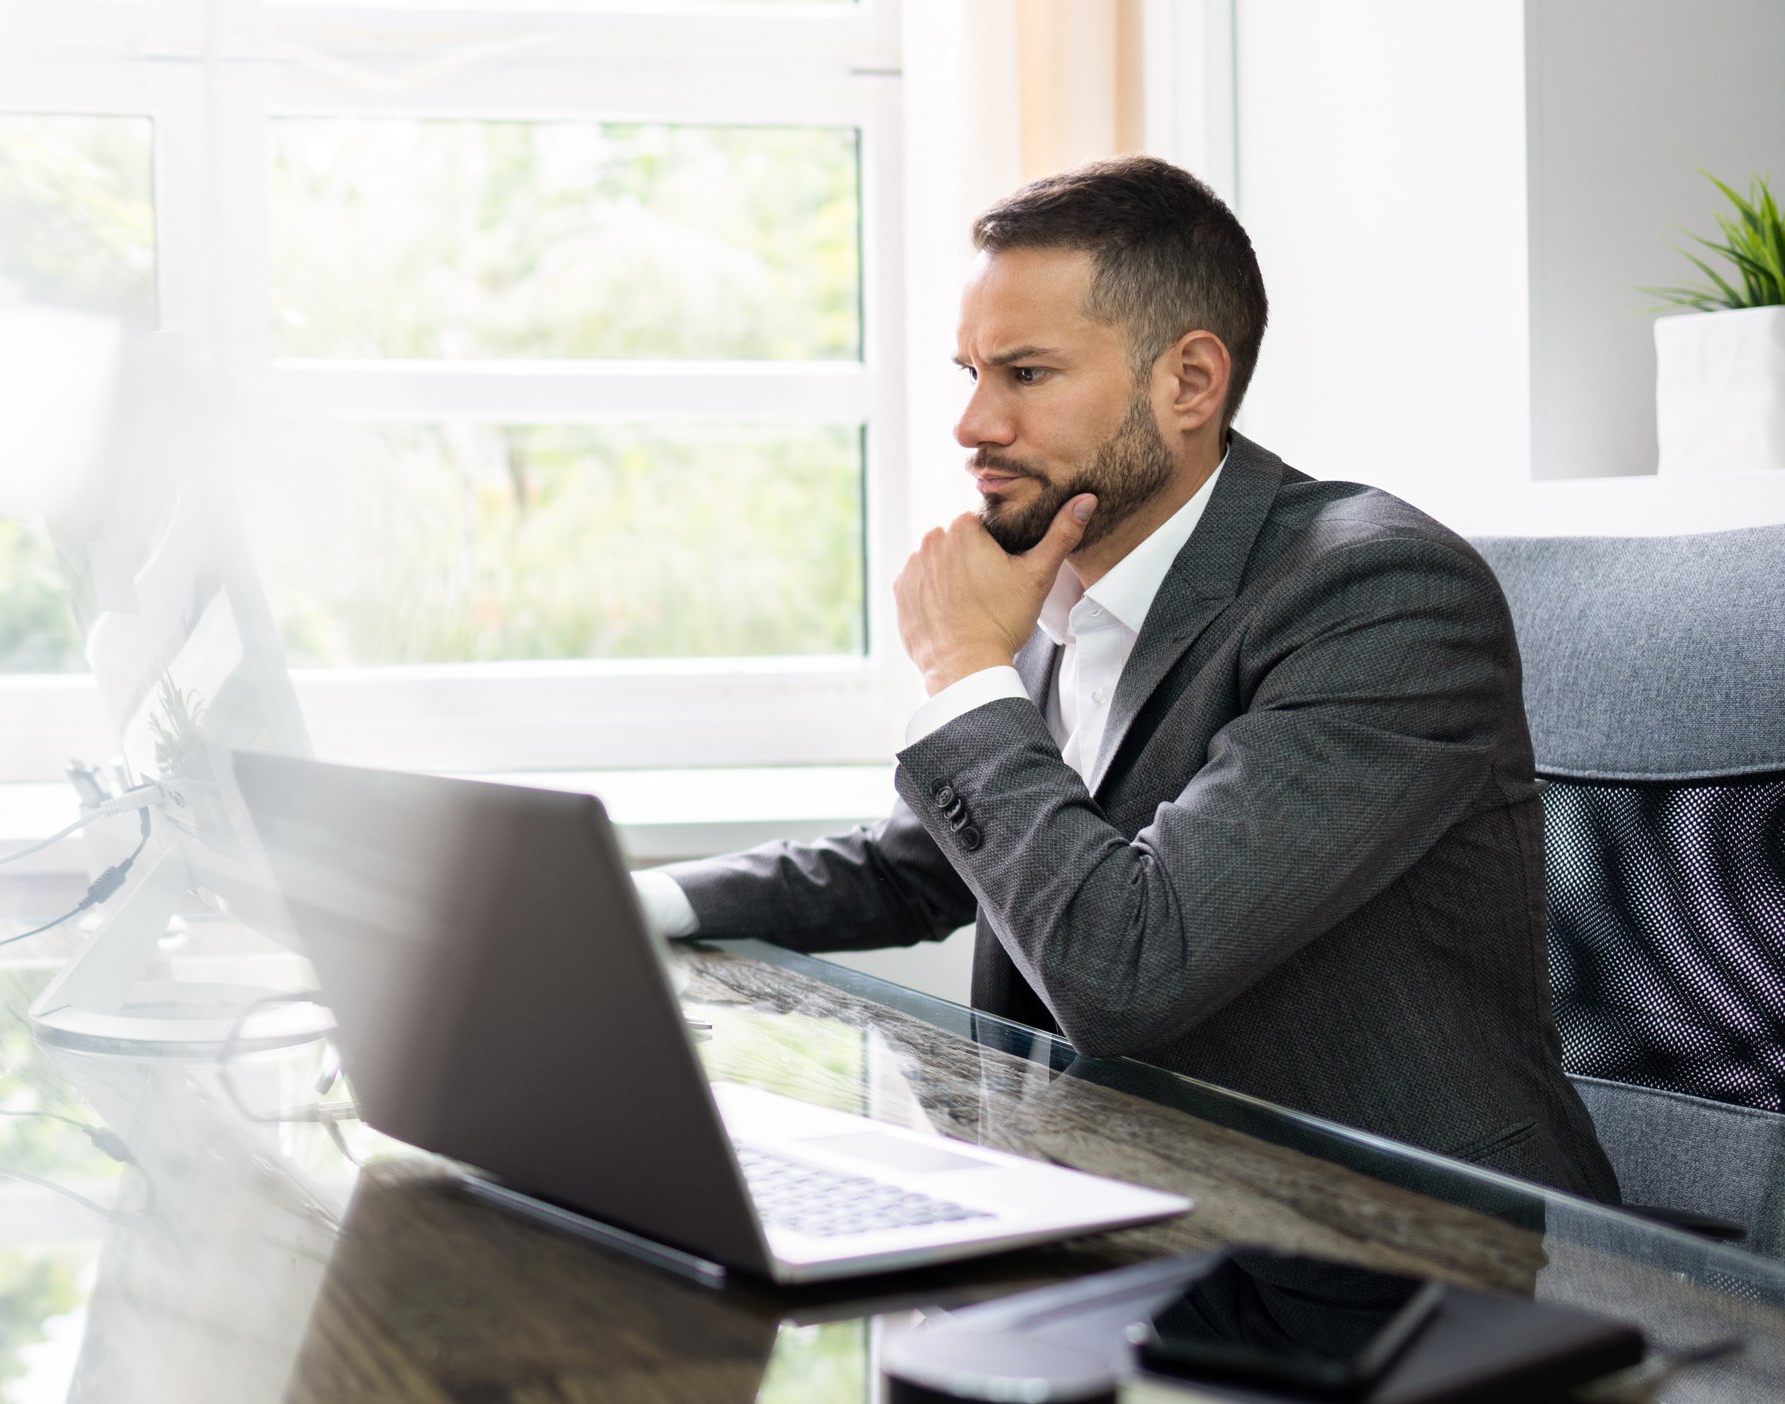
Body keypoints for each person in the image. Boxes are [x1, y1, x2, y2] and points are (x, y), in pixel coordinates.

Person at [633, 156, 1619, 1199]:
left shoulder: (1378, 594)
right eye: (969, 374)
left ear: (1188, 381)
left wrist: (963, 669)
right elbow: (916, 868)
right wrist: (638, 901)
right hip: (1126, 1197)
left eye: (1025, 373)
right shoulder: (1053, 573)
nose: (972, 425)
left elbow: (1129, 973)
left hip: (1398, 1257)